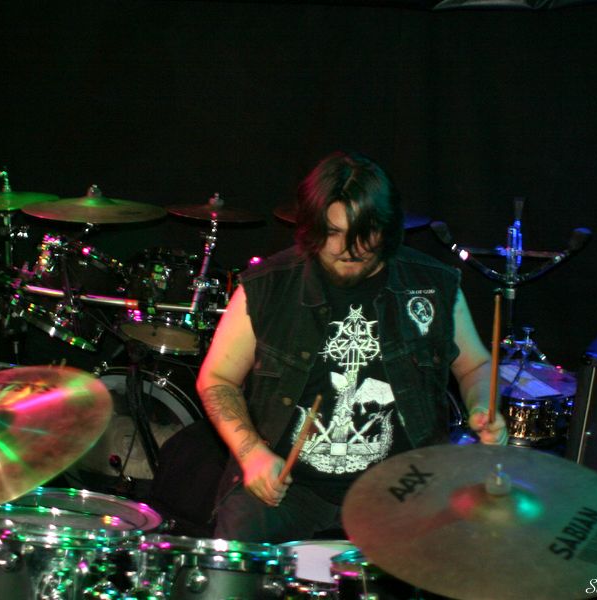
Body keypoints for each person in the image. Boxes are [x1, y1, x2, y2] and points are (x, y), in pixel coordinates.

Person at [196, 150, 507, 543]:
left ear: (388, 230)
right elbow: (216, 378)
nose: (348, 248)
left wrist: (482, 406)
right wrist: (251, 453)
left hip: (403, 487)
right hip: (288, 489)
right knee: (232, 562)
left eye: (364, 233)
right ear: (311, 227)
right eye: (333, 232)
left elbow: (476, 366)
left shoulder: (433, 286)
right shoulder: (266, 286)